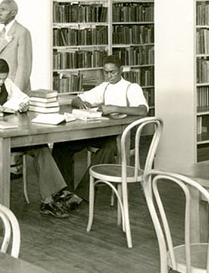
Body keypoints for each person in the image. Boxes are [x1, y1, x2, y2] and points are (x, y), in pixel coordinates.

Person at [0, 59, 82, 218]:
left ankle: (49, 200)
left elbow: (23, 97)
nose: (0, 82)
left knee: (41, 148)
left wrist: (22, 104)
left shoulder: (7, 83)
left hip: (11, 134)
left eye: (3, 79)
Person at [51, 55, 149, 198]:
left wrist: (115, 108)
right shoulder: (104, 87)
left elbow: (142, 110)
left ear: (121, 70)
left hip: (126, 136)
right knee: (62, 146)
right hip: (105, 133)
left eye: (112, 72)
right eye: (105, 72)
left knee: (108, 149)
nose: (108, 76)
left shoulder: (131, 88)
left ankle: (81, 195)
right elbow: (76, 99)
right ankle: (64, 192)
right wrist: (82, 105)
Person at [0, 0, 33, 92]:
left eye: (3, 9)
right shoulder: (1, 33)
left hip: (13, 88)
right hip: (0, 87)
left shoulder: (22, 32)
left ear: (13, 13)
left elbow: (24, 68)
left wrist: (16, 92)